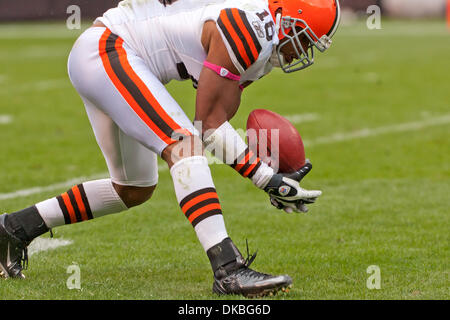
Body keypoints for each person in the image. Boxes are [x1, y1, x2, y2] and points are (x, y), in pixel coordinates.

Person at [0, 0, 340, 297]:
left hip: (115, 55)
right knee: (184, 146)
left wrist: (267, 174)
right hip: (108, 49)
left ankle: (12, 230)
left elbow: (218, 121)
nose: (302, 49)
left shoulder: (260, 37)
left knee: (134, 188)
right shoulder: (249, 29)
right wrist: (266, 177)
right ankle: (228, 269)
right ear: (282, 17)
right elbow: (207, 126)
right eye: (304, 36)